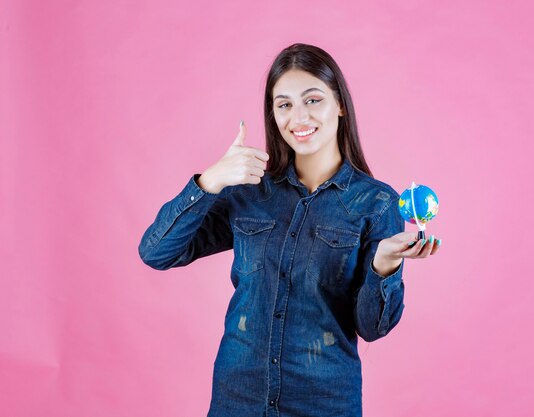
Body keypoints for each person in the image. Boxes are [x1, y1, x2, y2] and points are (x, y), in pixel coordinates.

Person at [138, 43, 441, 417]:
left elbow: (372, 328)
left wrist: (384, 266)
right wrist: (210, 180)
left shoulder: (376, 204)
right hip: (238, 399)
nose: (298, 116)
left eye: (312, 100)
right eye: (284, 104)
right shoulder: (249, 190)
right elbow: (156, 252)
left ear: (340, 105)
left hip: (324, 402)